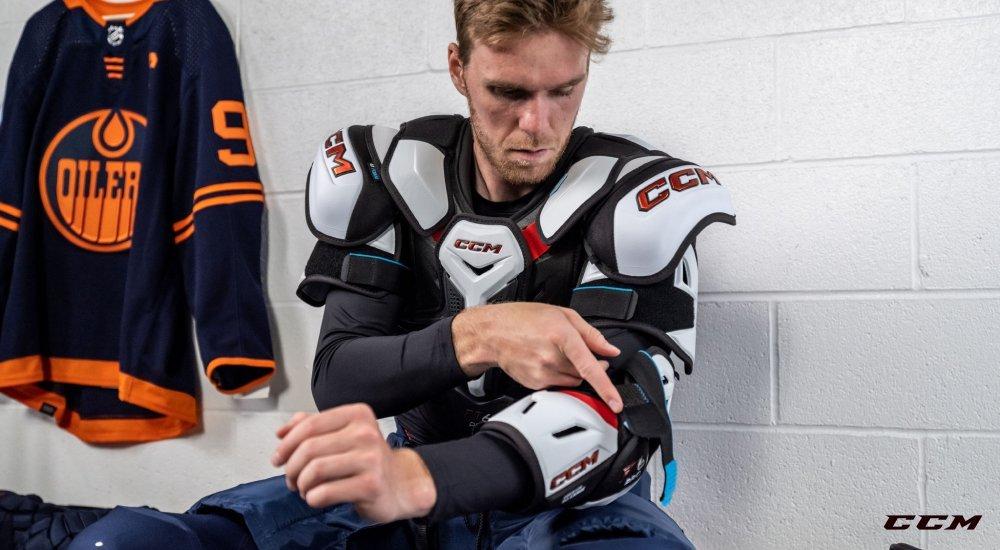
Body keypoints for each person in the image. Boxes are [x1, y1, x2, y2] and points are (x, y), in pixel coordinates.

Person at [69, 1, 734, 548]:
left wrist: (416, 476)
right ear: (458, 67)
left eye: (565, 90)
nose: (538, 123)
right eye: (509, 92)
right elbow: (342, 378)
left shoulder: (636, 201)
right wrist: (482, 334)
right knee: (124, 543)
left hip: (566, 510)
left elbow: (614, 425)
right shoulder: (389, 173)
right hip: (401, 484)